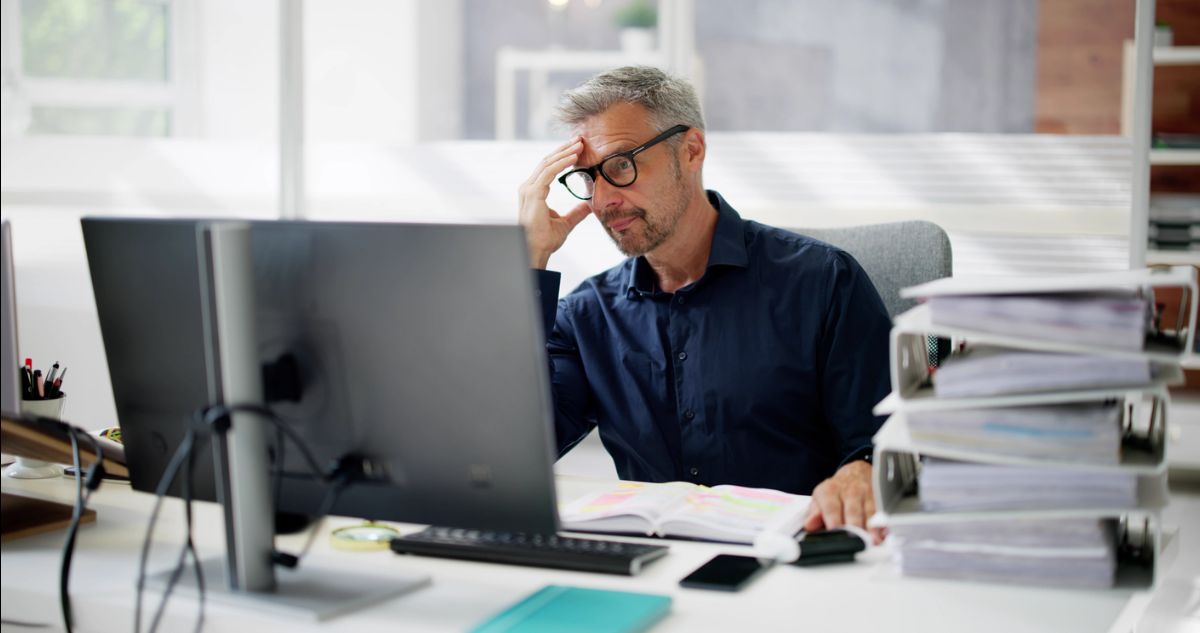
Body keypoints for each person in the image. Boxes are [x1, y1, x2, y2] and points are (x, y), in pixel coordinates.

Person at [518, 66, 891, 538]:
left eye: (620, 166)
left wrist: (862, 469)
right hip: (656, 564)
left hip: (795, 560)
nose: (603, 200)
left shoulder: (822, 281)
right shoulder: (588, 315)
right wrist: (531, 259)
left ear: (691, 150)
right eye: (588, 179)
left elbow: (885, 439)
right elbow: (515, 450)